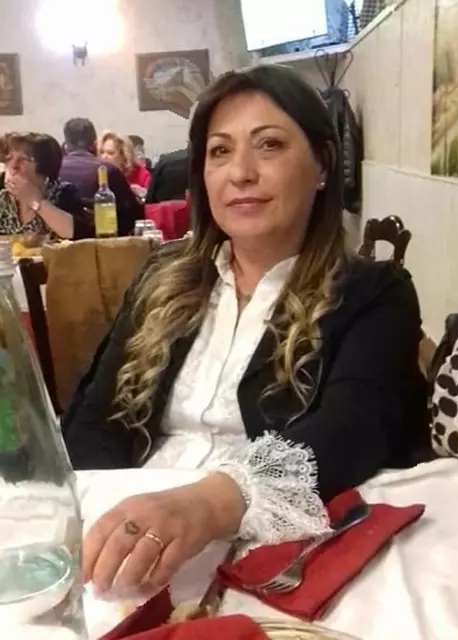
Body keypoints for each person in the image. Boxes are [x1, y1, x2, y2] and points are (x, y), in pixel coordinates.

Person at [63, 65, 429, 595]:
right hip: (132, 545)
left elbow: (351, 431)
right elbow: (97, 419)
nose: (240, 172)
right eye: (219, 151)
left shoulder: (373, 292)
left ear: (323, 164)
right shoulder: (162, 276)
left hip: (283, 554)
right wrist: (84, 514)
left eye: (269, 145)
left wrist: (208, 504)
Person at [60, 118, 144, 236]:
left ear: (66, 145)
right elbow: (133, 215)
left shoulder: (53, 169)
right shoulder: (108, 170)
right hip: (104, 241)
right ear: (95, 144)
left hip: (61, 241)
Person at [0, 132, 91, 239]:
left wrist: (35, 201)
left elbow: (78, 234)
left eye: (23, 159)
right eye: (9, 158)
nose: (13, 166)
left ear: (44, 167)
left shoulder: (63, 193)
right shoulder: (3, 196)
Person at [99, 131, 151, 199]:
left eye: (110, 153)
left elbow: (151, 199)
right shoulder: (98, 172)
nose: (103, 157)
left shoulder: (140, 173)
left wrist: (141, 193)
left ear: (124, 156)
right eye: (102, 152)